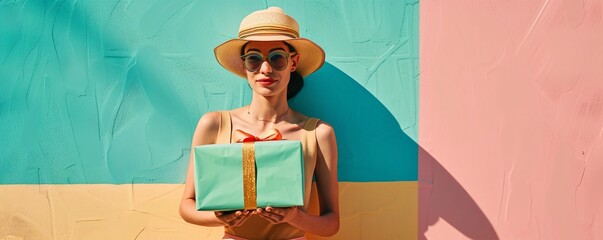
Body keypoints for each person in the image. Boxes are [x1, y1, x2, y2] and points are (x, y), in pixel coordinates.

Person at [179, 6, 339, 240]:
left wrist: (293, 217)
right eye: (254, 59)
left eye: (277, 58)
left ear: (293, 62)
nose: (266, 69)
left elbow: (332, 222)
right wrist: (221, 218)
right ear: (244, 66)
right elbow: (186, 205)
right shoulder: (214, 124)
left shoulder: (317, 133)